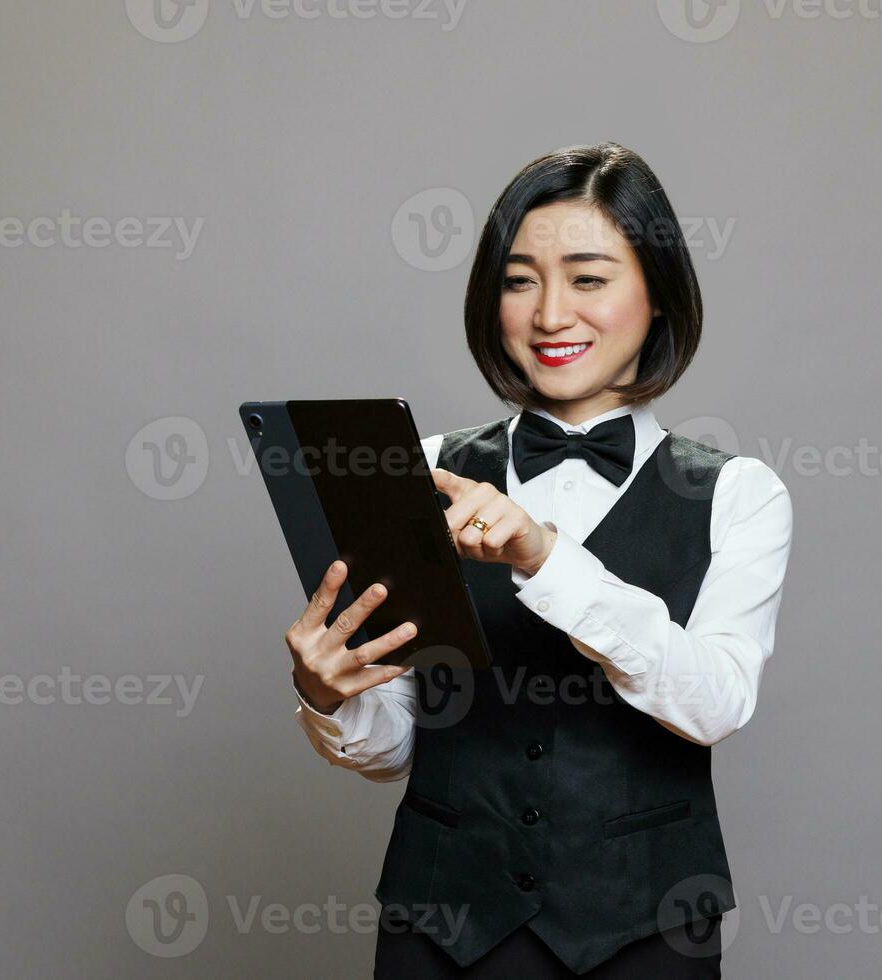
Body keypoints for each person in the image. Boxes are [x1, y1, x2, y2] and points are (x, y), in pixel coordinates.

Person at [283, 142, 792, 978]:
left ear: (658, 295)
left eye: (588, 278)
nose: (551, 313)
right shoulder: (422, 466)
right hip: (441, 930)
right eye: (520, 280)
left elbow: (714, 703)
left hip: (645, 931)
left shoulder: (740, 494)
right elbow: (396, 745)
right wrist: (324, 695)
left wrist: (546, 556)